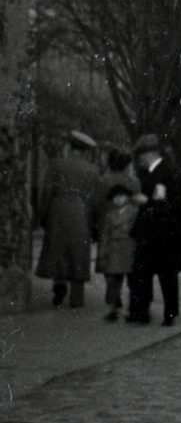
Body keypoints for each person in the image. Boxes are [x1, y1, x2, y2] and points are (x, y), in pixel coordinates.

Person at [127, 134, 181, 326]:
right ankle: (143, 312)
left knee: (166, 275)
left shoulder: (166, 173)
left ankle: (169, 313)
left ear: (150, 153)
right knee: (143, 273)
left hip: (164, 233)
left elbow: (166, 203)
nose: (139, 159)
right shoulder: (152, 172)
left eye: (141, 154)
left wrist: (145, 201)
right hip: (150, 232)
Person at [36, 131, 98, 308]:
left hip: (58, 211)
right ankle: (77, 299)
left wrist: (43, 217)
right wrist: (93, 223)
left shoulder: (56, 165)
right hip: (81, 212)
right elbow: (94, 200)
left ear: (71, 146)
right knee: (78, 253)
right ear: (86, 151)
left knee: (58, 249)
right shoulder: (92, 170)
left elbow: (47, 192)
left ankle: (58, 289)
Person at [94, 149, 142, 321]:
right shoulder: (133, 183)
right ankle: (131, 305)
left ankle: (114, 303)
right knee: (131, 272)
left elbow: (97, 205)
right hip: (129, 235)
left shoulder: (103, 182)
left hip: (108, 231)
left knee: (111, 271)